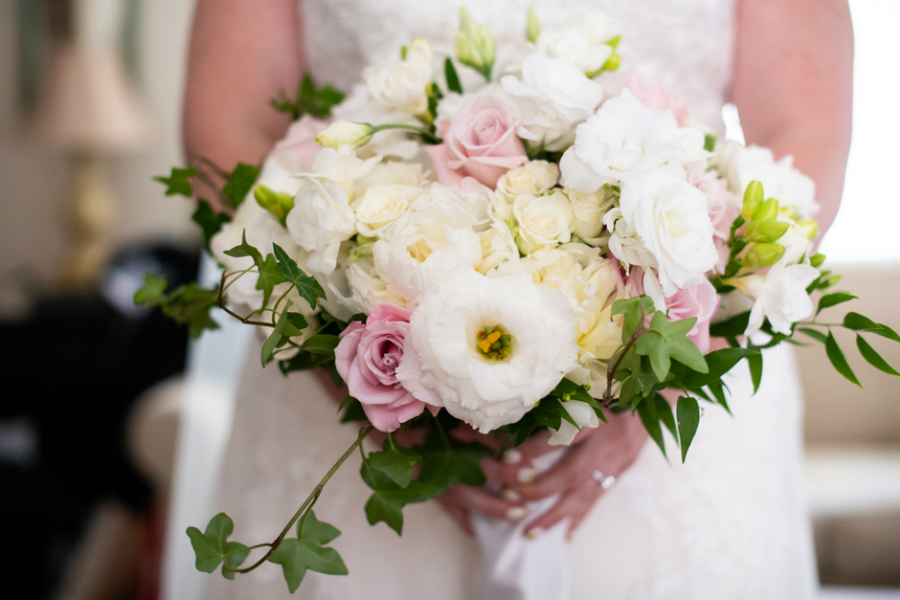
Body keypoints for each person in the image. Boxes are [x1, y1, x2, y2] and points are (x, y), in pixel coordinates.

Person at [183, 1, 852, 598]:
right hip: (343, 399)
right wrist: (365, 372)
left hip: (672, 408)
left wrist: (659, 383)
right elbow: (230, 133)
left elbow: (803, 131)